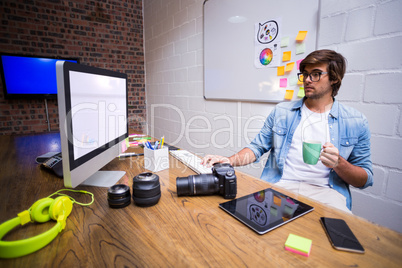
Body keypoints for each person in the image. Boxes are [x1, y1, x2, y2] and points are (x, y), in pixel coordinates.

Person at [201, 49, 373, 213]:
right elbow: (256, 148)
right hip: (281, 187)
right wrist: (228, 160)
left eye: (315, 74)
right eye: (305, 74)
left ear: (334, 78)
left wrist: (339, 163)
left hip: (328, 194)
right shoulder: (282, 112)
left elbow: (364, 179)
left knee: (335, 241)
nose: (307, 80)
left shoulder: (356, 121)